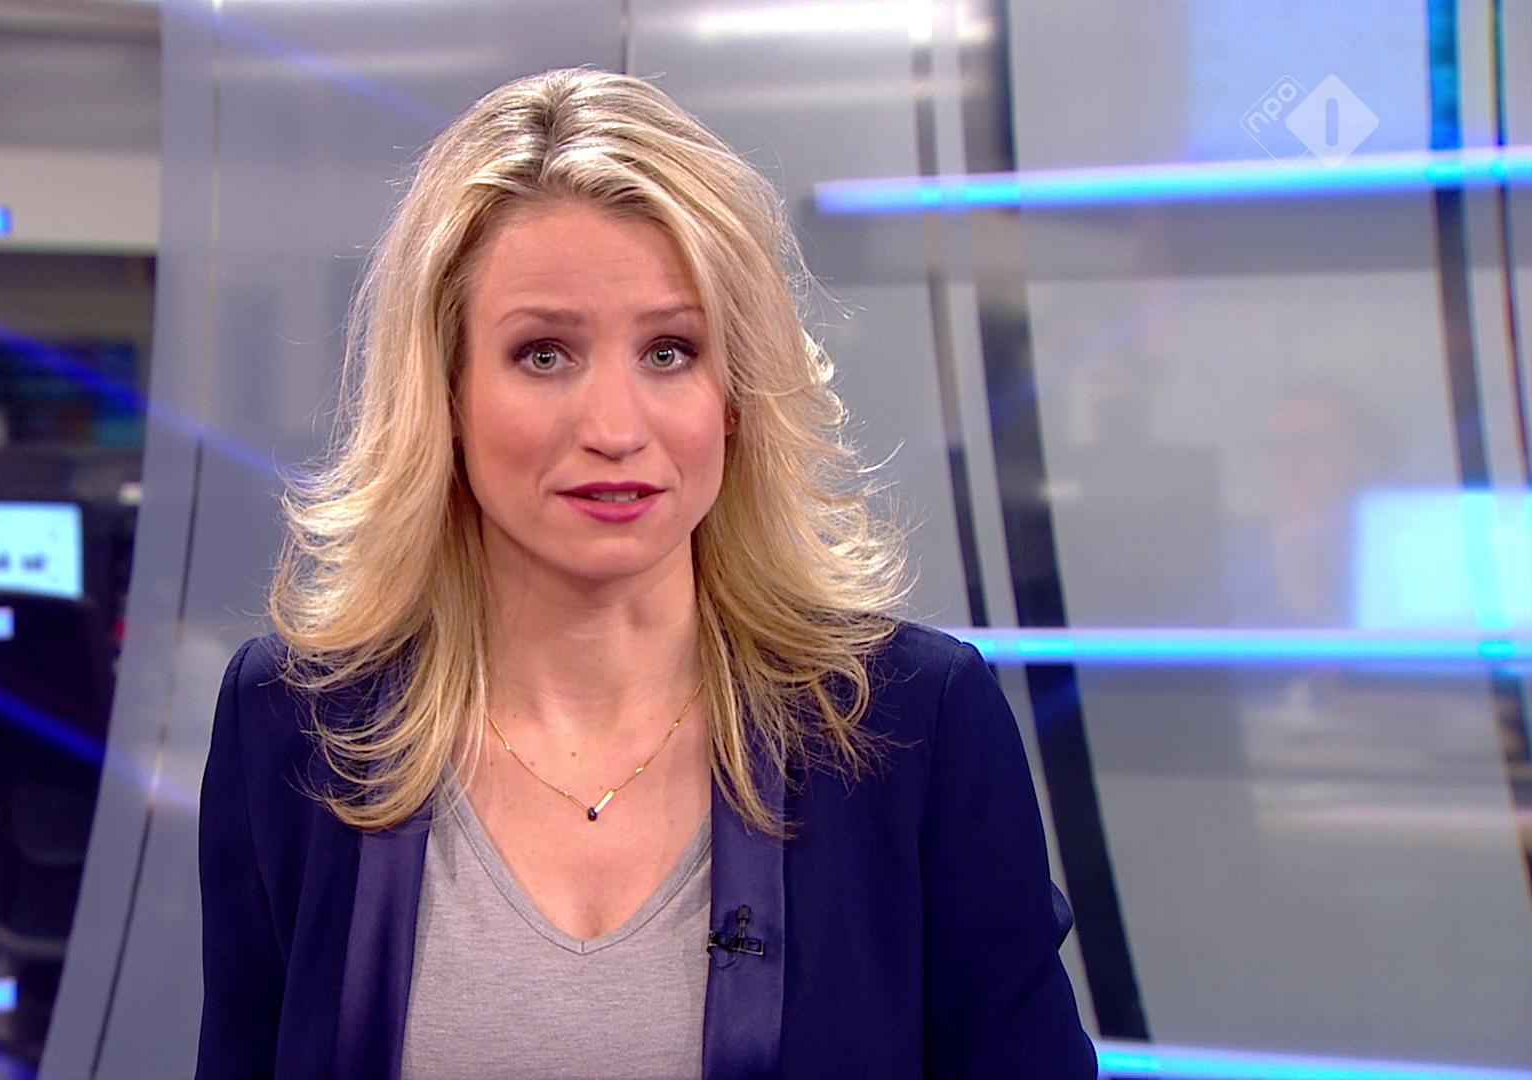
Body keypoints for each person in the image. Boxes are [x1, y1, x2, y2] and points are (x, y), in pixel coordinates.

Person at [197, 67, 1095, 1079]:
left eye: (670, 352)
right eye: (544, 355)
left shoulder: (916, 723)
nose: (615, 429)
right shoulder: (295, 722)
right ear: (445, 390)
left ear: (736, 394)